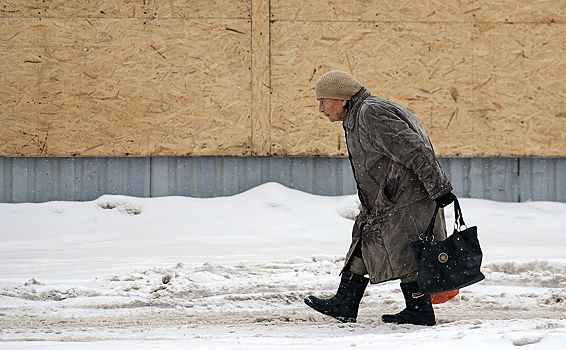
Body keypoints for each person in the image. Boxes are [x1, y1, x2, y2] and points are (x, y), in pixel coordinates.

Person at [304, 70, 454, 326]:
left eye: (323, 101)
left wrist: (438, 188)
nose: (320, 109)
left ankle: (419, 311)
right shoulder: (360, 114)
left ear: (341, 99)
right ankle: (345, 302)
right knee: (366, 238)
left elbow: (414, 149)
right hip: (390, 197)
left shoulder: (371, 114)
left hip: (405, 196)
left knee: (407, 251)